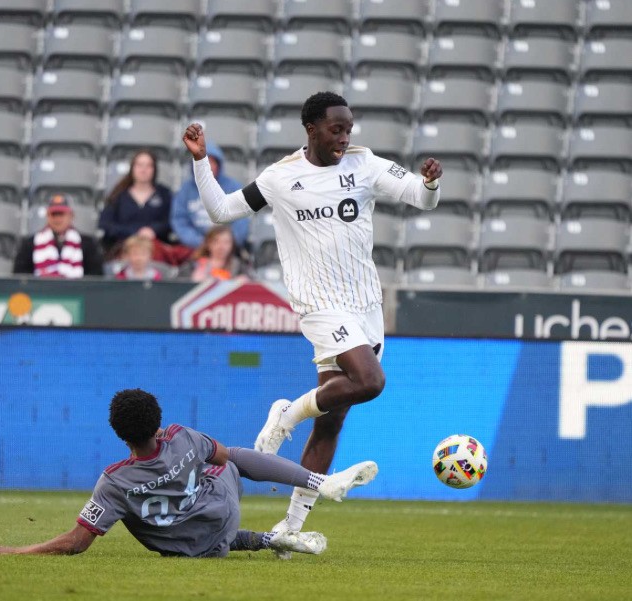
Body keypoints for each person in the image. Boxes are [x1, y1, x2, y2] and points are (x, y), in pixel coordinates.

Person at [182, 92, 443, 550]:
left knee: (332, 419)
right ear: (311, 129)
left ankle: (290, 527)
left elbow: (422, 201)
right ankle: (287, 414)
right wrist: (202, 162)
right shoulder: (281, 177)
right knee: (371, 381)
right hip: (319, 304)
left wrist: (430, 183)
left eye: (348, 129)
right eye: (335, 129)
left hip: (364, 305)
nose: (344, 137)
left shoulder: (365, 166)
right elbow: (220, 212)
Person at [0, 388, 378, 558]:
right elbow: (221, 457)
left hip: (187, 547)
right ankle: (314, 482)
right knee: (231, 457)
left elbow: (77, 542)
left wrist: (13, 552)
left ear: (117, 432)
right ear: (158, 420)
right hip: (221, 511)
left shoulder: (112, 483)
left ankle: (271, 535)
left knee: (184, 524)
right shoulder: (182, 437)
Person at [170, 141, 249, 250]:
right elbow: (180, 220)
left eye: (211, 162)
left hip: (227, 249)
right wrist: (200, 243)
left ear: (218, 165)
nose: (208, 167)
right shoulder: (185, 190)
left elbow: (242, 218)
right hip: (194, 248)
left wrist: (226, 243)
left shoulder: (233, 187)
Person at [13, 194, 102, 278]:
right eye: (54, 214)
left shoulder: (87, 244)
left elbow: (95, 276)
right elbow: (21, 275)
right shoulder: (31, 243)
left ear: (71, 216)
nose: (57, 219)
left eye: (61, 214)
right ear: (47, 217)